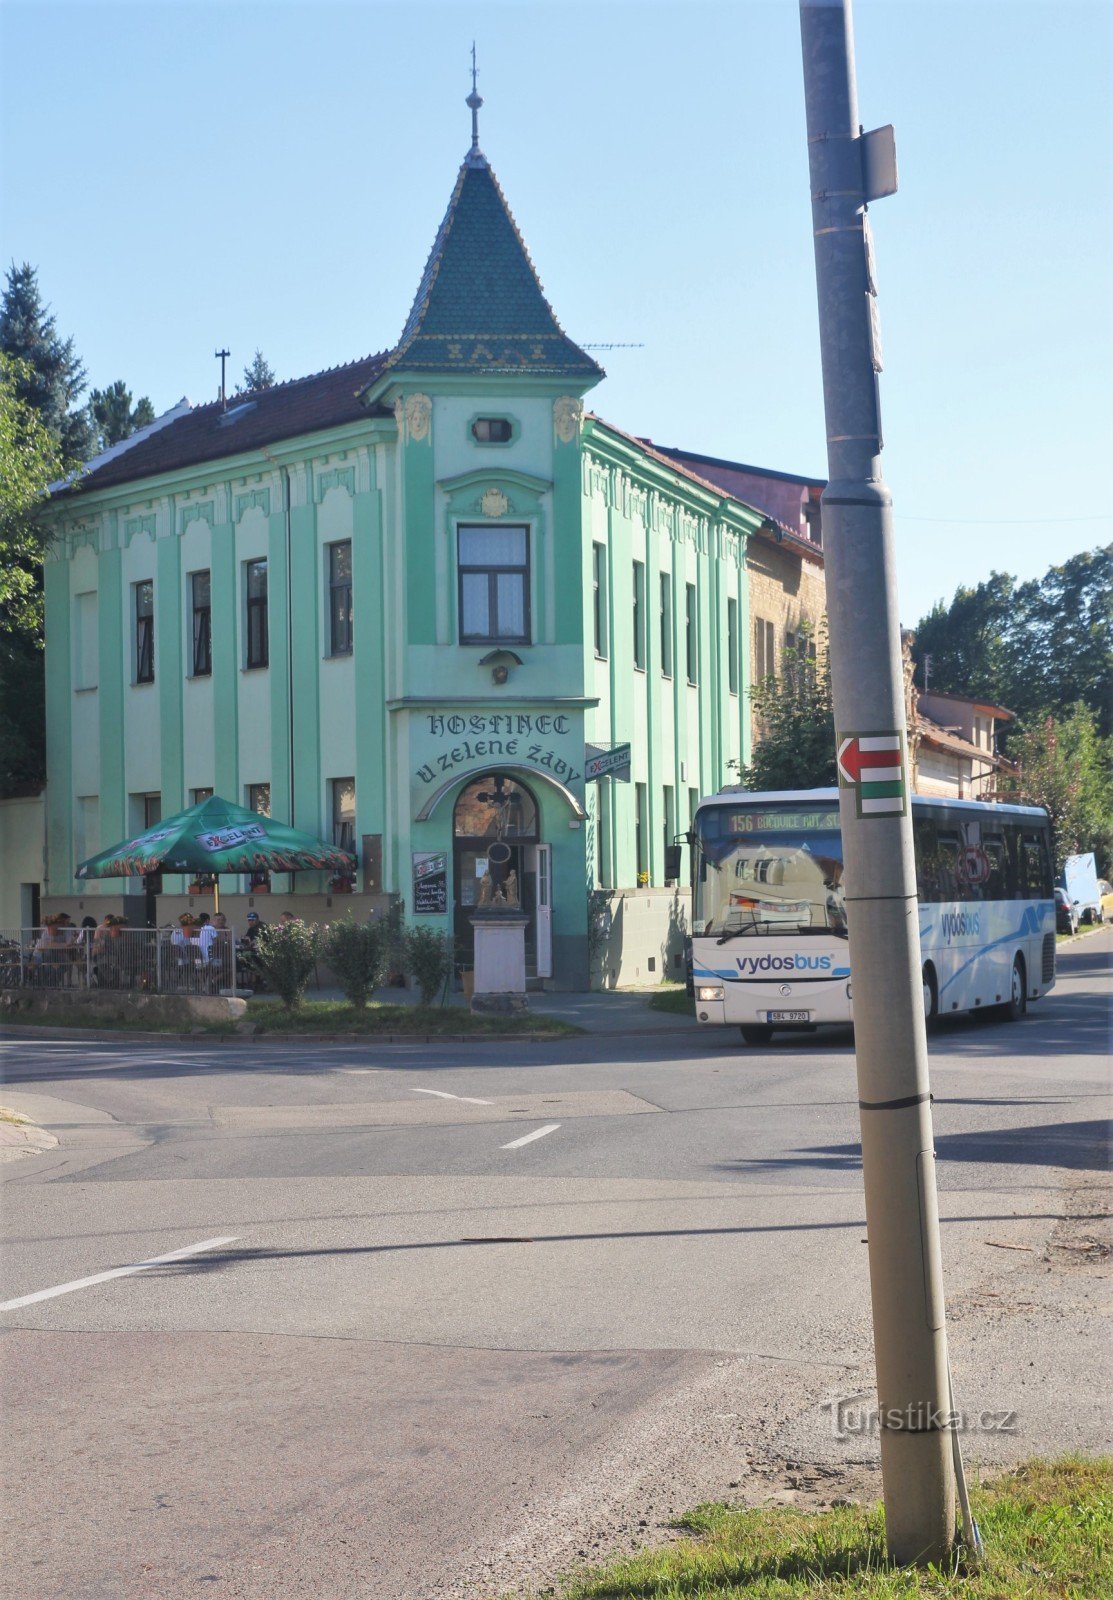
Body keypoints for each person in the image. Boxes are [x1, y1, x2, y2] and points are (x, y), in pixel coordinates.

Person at [198, 912, 230, 992]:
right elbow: (217, 942)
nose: (220, 921)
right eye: (218, 920)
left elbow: (231, 940)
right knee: (229, 968)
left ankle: (207, 984)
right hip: (213, 958)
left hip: (205, 958)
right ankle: (210, 982)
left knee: (202, 968)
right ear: (213, 921)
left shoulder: (227, 930)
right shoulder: (210, 930)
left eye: (222, 920)